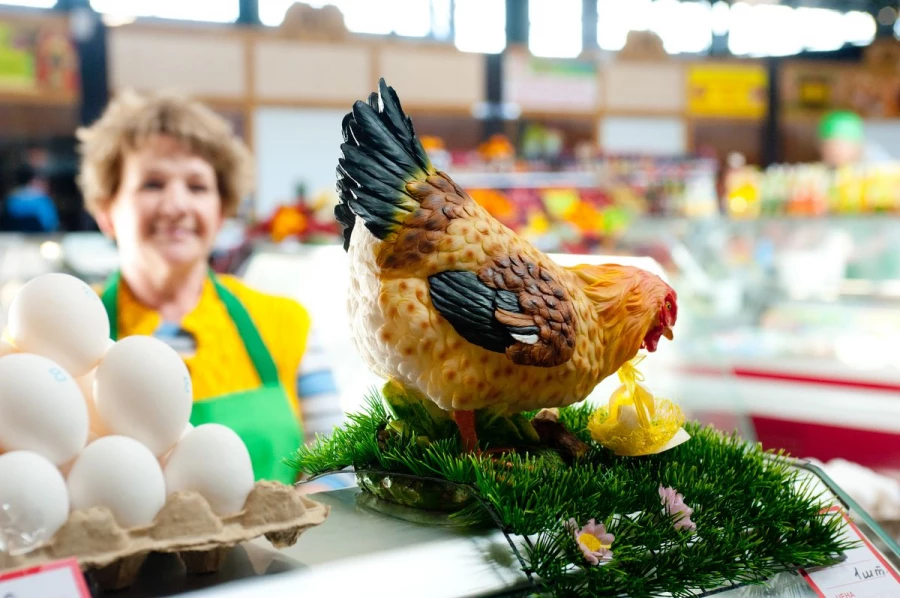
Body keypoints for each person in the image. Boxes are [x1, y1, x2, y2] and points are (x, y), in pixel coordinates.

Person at [76, 90, 340, 485]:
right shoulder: (74, 334)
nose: (176, 205)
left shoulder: (285, 323)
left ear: (221, 210)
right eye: (152, 183)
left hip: (281, 548)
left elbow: (336, 468)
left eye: (197, 186)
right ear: (106, 210)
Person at [818, 110, 892, 168]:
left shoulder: (879, 165)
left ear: (857, 145)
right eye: (829, 147)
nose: (834, 152)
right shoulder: (825, 171)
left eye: (839, 145)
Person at [1, 161, 60, 233]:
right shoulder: (43, 200)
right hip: (38, 238)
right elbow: (51, 224)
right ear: (33, 180)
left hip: (12, 238)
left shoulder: (10, 199)